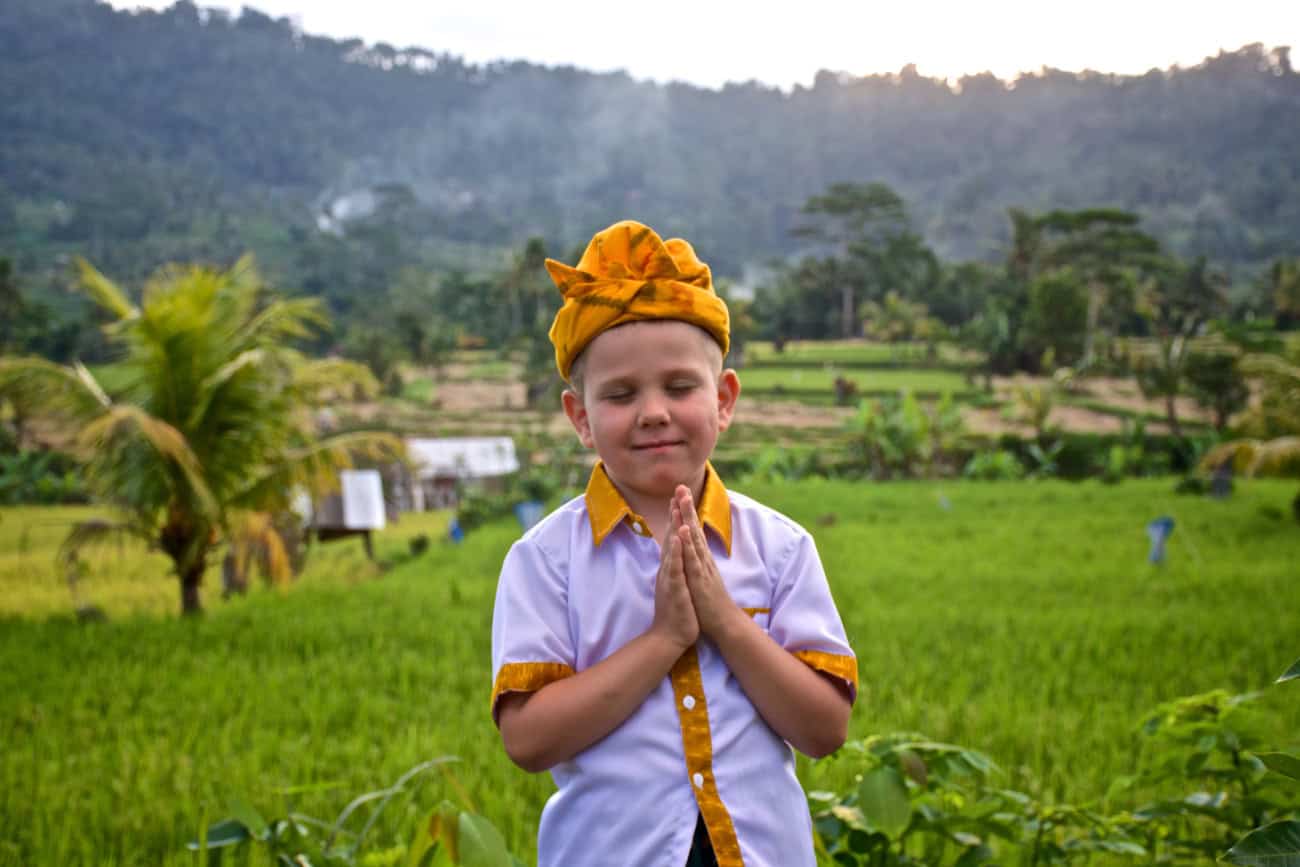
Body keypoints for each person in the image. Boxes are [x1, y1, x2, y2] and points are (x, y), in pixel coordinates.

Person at [490, 220, 857, 867]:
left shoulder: (780, 548)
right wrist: (662, 639)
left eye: (680, 387)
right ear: (580, 416)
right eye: (622, 394)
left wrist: (725, 623)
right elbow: (527, 738)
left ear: (723, 400)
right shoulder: (545, 561)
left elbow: (826, 729)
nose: (654, 411)